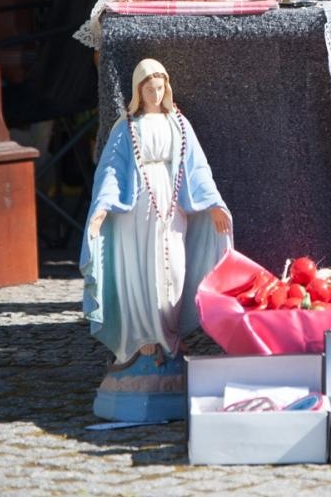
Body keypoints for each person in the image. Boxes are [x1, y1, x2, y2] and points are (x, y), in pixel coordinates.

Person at [81, 59, 232, 419]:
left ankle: (169, 342)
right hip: (137, 215)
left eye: (160, 84)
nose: (155, 91)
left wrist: (213, 204)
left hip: (172, 210)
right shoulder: (127, 128)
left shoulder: (179, 125)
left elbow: (198, 168)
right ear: (138, 91)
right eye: (148, 86)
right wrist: (101, 209)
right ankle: (142, 344)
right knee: (142, 277)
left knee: (173, 276)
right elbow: (113, 171)